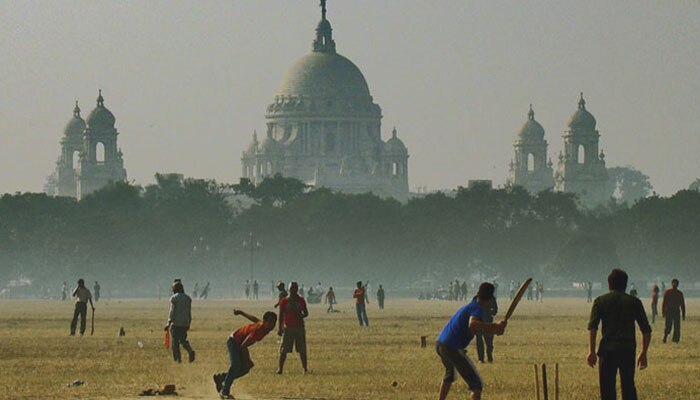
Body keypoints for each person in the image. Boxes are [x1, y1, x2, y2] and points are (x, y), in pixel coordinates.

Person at [587, 268, 651, 400]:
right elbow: (646, 330)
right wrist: (644, 352)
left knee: (607, 389)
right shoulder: (634, 302)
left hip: (607, 350)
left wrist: (592, 351)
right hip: (627, 349)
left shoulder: (600, 301)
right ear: (625, 284)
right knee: (628, 386)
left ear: (609, 284)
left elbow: (593, 327)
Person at [436, 282, 507, 400]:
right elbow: (473, 324)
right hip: (452, 347)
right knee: (476, 385)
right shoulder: (476, 308)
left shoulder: (472, 305)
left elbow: (480, 327)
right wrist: (495, 326)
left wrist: (495, 329)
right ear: (490, 299)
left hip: (440, 344)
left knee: (450, 375)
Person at [214, 309, 277, 399]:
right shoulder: (258, 331)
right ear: (265, 321)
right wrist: (247, 359)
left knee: (245, 369)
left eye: (274, 322)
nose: (272, 325)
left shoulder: (263, 326)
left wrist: (241, 313)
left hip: (239, 343)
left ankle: (221, 378)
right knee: (235, 366)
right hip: (234, 341)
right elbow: (243, 346)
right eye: (270, 322)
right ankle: (224, 391)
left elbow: (254, 319)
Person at [276, 281, 309, 374]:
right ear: (289, 290)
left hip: (299, 328)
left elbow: (306, 313)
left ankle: (305, 368)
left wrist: (300, 315)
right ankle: (280, 369)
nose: (293, 291)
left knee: (302, 349)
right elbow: (281, 315)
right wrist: (280, 328)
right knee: (283, 350)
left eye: (295, 289)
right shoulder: (285, 301)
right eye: (292, 289)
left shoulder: (301, 300)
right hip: (288, 328)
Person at [165, 281, 195, 363]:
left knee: (175, 342)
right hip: (185, 322)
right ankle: (190, 350)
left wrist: (169, 323)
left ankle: (177, 359)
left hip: (176, 323)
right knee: (183, 340)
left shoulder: (174, 298)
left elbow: (172, 311)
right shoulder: (187, 298)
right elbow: (188, 311)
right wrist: (188, 322)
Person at [475, 294, 498, 363]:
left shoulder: (492, 298)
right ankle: (481, 358)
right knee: (479, 341)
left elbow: (495, 309)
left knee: (489, 342)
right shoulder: (476, 298)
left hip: (488, 322)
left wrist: (492, 311)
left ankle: (489, 356)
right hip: (479, 322)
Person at [662, 278, 686, 344]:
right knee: (671, 326)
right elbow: (664, 303)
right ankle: (668, 337)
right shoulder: (671, 292)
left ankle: (673, 339)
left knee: (674, 326)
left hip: (673, 311)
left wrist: (683, 315)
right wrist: (663, 312)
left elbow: (682, 305)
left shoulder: (675, 293)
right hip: (671, 311)